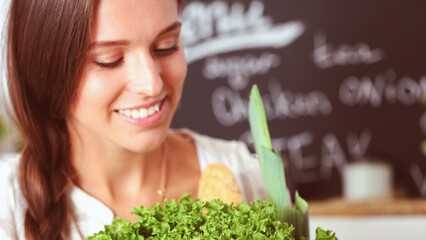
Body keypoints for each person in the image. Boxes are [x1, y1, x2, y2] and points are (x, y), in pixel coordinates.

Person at [0, 0, 266, 239]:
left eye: (166, 46)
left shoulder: (245, 174)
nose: (152, 84)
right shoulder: (7, 206)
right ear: (47, 70)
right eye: (109, 60)